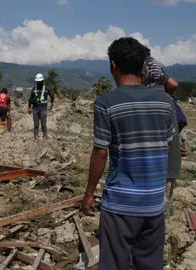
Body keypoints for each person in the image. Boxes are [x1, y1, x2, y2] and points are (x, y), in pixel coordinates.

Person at [81, 37, 175, 270]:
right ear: (143, 66)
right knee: (150, 263)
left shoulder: (106, 103)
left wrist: (89, 193)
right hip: (154, 204)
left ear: (113, 65)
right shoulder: (165, 102)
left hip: (121, 205)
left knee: (114, 263)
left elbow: (100, 152)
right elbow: (167, 146)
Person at [143, 54, 188, 267]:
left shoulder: (148, 99)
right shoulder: (168, 100)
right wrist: (175, 138)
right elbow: (181, 119)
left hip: (154, 169)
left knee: (153, 217)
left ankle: (157, 259)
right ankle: (161, 258)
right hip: (169, 166)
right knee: (163, 214)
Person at [28, 73, 54, 141]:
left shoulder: (47, 88)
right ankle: (36, 137)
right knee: (36, 124)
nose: (38, 83)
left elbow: (52, 95)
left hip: (43, 109)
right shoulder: (34, 89)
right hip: (35, 109)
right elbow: (30, 99)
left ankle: (45, 136)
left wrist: (52, 103)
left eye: (39, 82)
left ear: (42, 81)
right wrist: (29, 107)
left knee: (43, 124)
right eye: (37, 82)